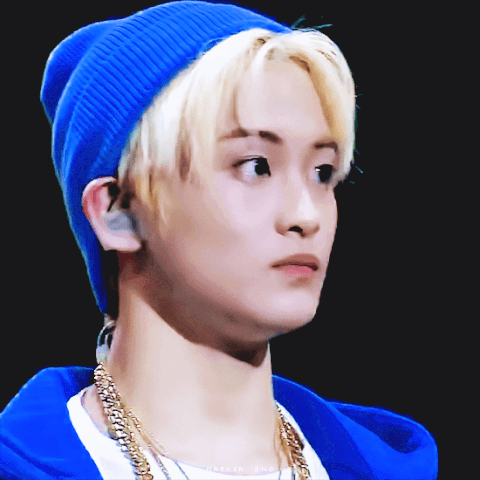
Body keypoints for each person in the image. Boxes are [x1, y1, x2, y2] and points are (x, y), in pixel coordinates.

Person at [0, 1, 438, 479]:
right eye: (256, 166)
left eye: (322, 172)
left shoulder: (379, 466)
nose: (306, 215)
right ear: (118, 210)